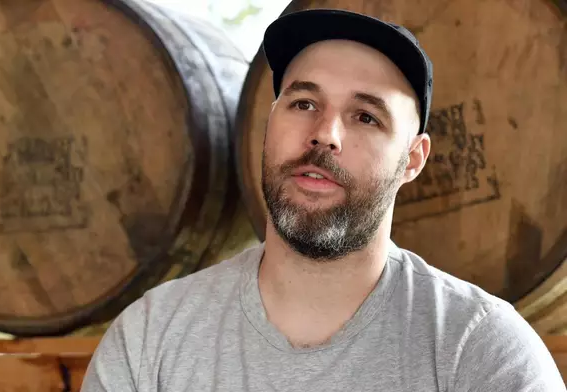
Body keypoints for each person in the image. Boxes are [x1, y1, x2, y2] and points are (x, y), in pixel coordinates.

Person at [81, 8, 566, 391]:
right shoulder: (150, 339)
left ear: (414, 160)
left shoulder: (478, 349)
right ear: (268, 126)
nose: (325, 135)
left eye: (366, 117)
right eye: (304, 103)